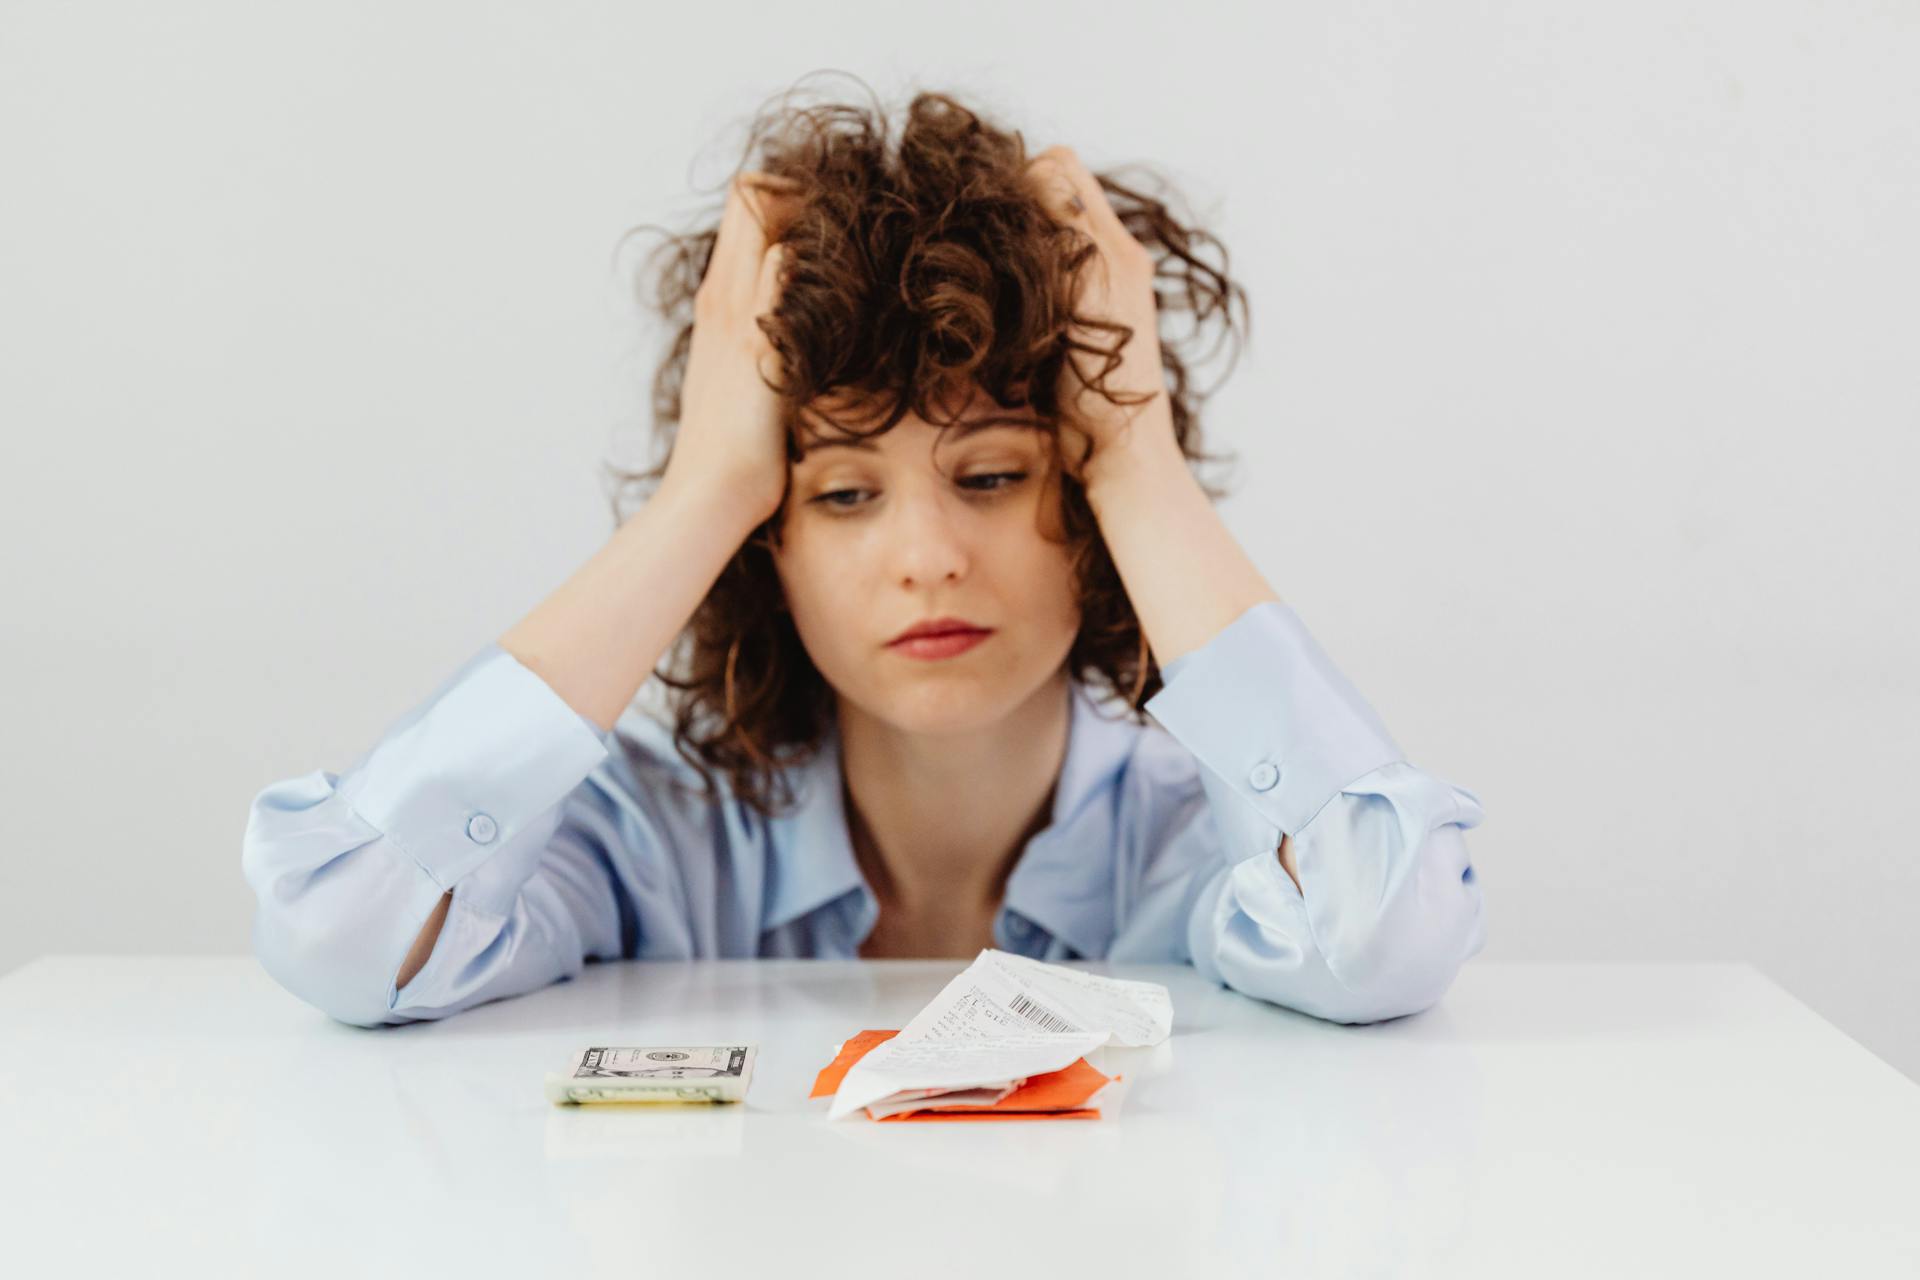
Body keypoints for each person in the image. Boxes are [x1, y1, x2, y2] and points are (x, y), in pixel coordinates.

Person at [240, 82, 1486, 1030]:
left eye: (993, 476)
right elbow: (346, 933)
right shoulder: (657, 842)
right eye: (842, 493)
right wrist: (707, 489)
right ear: (767, 543)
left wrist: (1137, 453)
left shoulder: (1191, 842)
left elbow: (1377, 933)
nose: (928, 556)